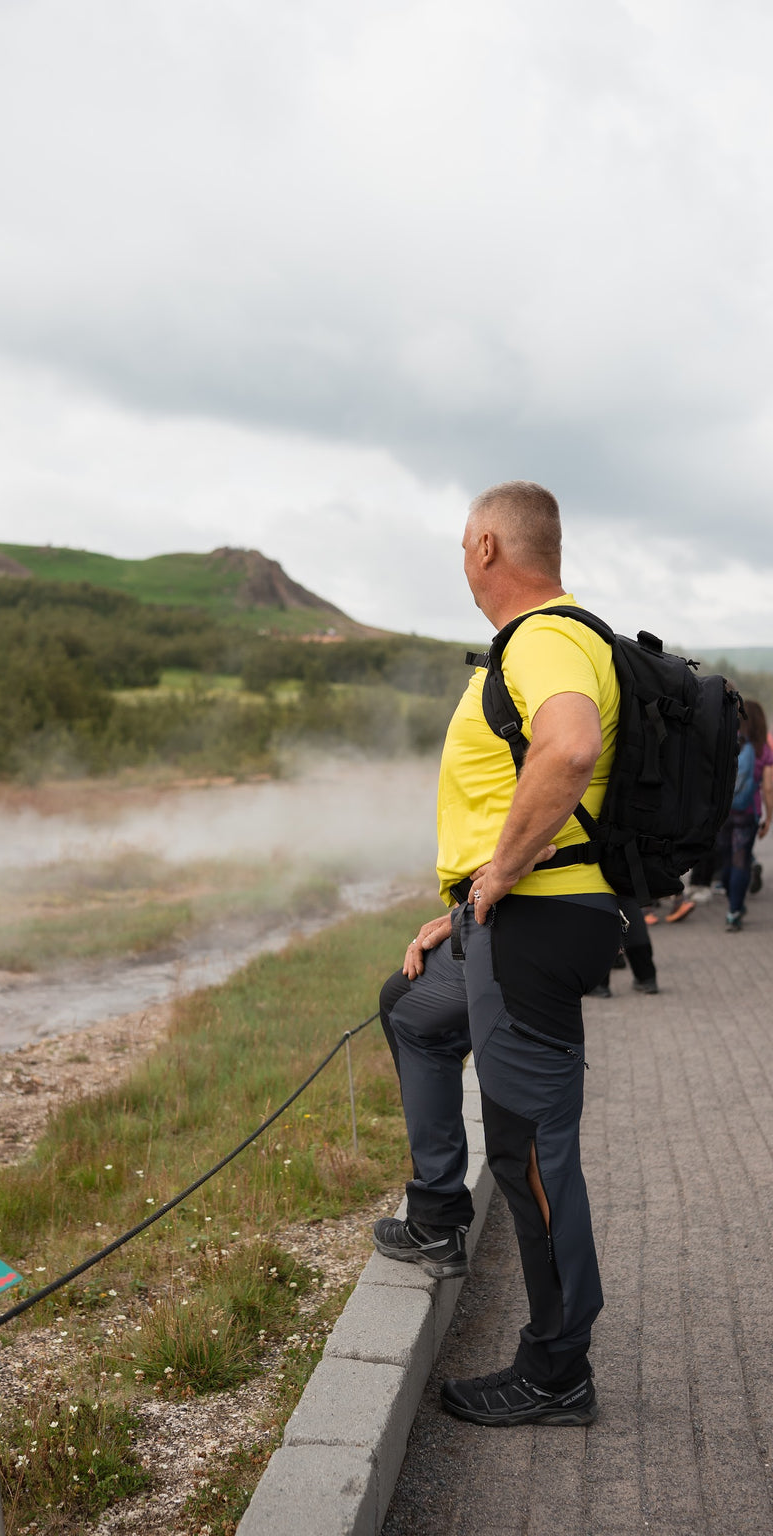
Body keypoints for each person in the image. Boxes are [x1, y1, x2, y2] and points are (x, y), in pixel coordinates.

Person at [374, 481, 621, 1428]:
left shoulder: (545, 636)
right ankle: (439, 1213)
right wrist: (466, 907)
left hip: (537, 926)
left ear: (486, 546)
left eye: (460, 543)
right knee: (411, 1011)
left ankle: (559, 1370)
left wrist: (496, 879)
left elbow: (566, 753)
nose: (460, 557)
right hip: (510, 919)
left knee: (528, 1154)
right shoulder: (551, 639)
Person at [718, 699, 769, 931]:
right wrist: (769, 818)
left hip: (725, 810)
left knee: (727, 859)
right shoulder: (763, 749)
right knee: (741, 860)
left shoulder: (730, 741)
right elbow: (768, 787)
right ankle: (733, 911)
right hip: (748, 812)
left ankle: (732, 899)